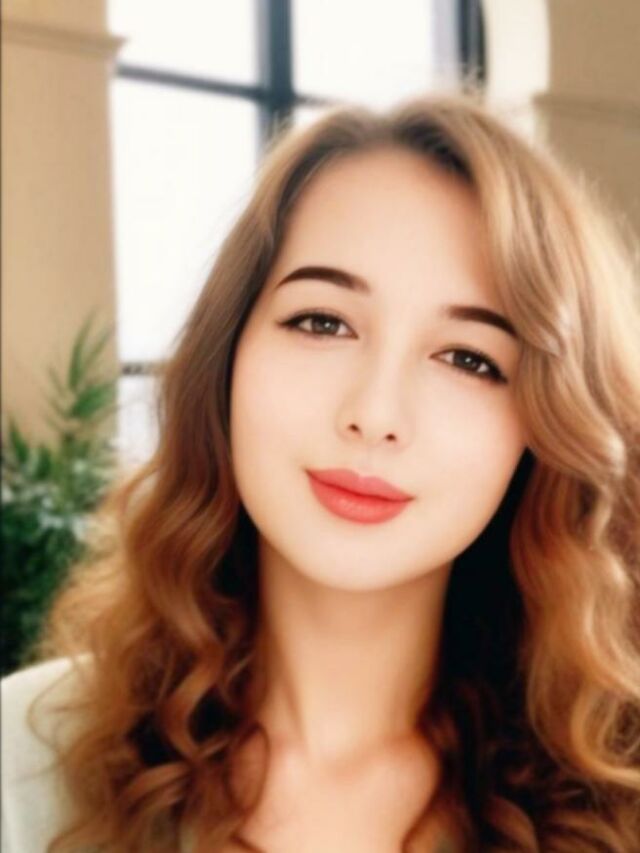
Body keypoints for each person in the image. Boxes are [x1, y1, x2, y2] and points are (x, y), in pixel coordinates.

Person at [2, 93, 640, 853]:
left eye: (469, 359)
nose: (375, 413)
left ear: (546, 429)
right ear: (227, 357)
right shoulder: (23, 761)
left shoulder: (618, 796)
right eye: (323, 321)